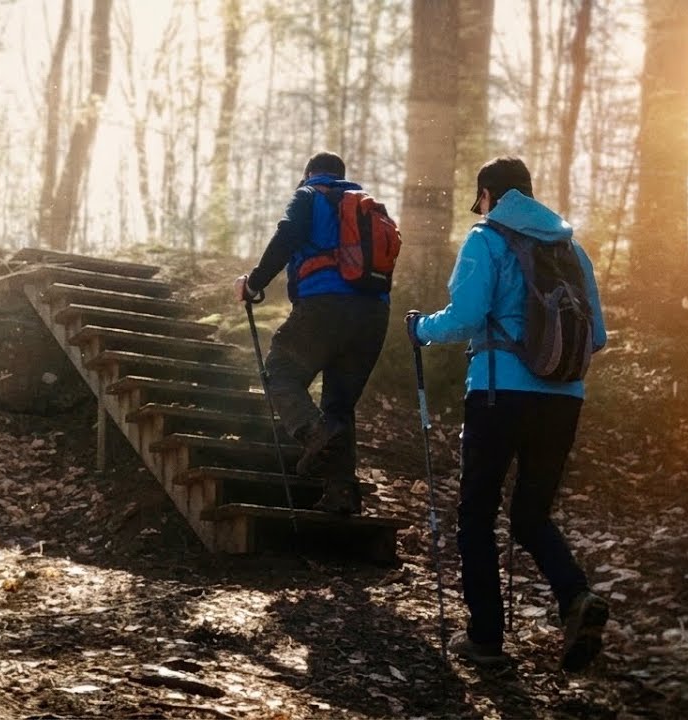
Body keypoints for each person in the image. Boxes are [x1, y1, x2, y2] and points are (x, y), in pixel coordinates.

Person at [405, 156, 609, 671]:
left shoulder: (486, 239)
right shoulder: (572, 249)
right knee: (531, 514)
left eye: (480, 200)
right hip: (564, 398)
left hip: (498, 393)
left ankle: (486, 638)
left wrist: (420, 329)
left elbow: (465, 318)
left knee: (477, 513)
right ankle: (575, 596)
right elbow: (598, 336)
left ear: (488, 196)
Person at [234, 151, 390, 515]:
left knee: (280, 371)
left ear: (309, 174)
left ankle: (313, 433)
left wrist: (254, 284)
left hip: (325, 306)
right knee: (339, 404)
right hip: (374, 316)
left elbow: (287, 236)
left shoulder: (308, 195)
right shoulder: (369, 210)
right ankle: (341, 493)